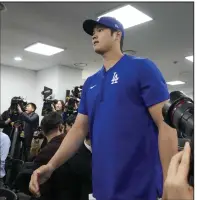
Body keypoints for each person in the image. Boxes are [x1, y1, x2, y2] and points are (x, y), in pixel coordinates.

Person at [29, 17, 178, 200]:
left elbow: (166, 125)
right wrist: (50, 166)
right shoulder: (91, 82)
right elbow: (78, 130)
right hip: (102, 189)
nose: (94, 36)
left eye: (100, 30)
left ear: (117, 35)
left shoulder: (142, 67)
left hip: (141, 188)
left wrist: (170, 181)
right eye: (93, 33)